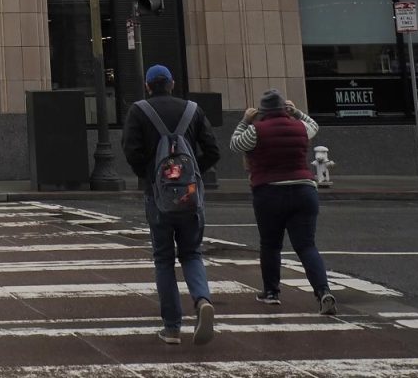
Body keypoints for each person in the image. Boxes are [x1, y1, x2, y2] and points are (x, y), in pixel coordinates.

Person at [122, 64, 220, 347]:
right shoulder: (193, 110)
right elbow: (212, 150)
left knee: (163, 258)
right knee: (191, 253)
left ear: (148, 85)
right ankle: (202, 300)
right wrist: (193, 173)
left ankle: (172, 327)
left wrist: (152, 177)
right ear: (172, 83)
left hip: (158, 197)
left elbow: (131, 151)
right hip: (191, 196)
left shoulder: (138, 111)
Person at [232, 89, 336, 314]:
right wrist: (297, 112)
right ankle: (323, 291)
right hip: (304, 191)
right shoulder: (300, 127)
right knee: (306, 245)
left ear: (263, 111)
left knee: (270, 244)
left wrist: (244, 120)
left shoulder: (255, 130)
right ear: (284, 109)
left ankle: (271, 292)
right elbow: (314, 125)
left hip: (269, 192)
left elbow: (235, 144)